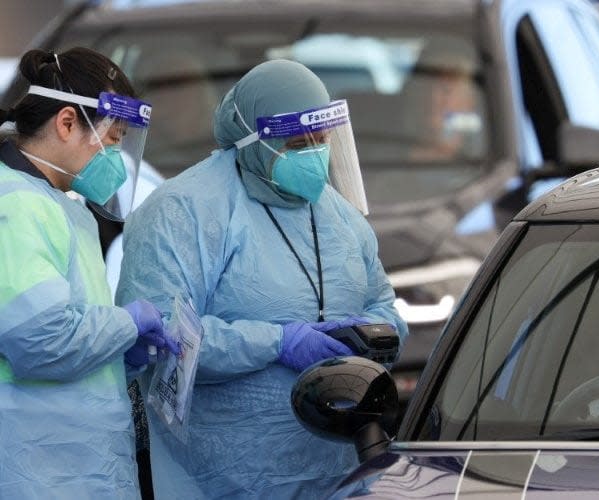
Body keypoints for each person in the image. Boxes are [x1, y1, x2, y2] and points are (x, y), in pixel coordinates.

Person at [116, 59, 408, 498]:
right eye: (298, 141)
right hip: (226, 477)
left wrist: (370, 336)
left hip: (339, 473)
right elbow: (165, 341)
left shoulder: (339, 215)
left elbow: (385, 305)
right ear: (254, 140)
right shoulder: (182, 211)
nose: (315, 151)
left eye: (321, 138)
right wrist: (278, 342)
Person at [0, 47, 179, 498]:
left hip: (70, 465)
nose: (117, 157)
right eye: (113, 140)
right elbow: (39, 339)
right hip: (41, 468)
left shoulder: (59, 205)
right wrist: (127, 322)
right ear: (65, 123)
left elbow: (68, 325)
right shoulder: (16, 207)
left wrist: (119, 350)